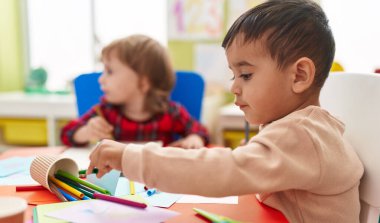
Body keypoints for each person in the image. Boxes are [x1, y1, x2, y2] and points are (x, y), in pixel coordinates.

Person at [87, 1, 364, 222]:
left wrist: (130, 157)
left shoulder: (303, 135)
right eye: (234, 74)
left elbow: (225, 170)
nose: (234, 86)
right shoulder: (302, 129)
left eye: (245, 74)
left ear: (299, 75)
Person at [61, 34, 209, 149]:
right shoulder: (105, 111)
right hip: (116, 183)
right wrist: (87, 132)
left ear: (143, 82)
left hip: (158, 182)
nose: (101, 79)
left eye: (110, 71)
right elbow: (66, 134)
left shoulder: (171, 112)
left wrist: (195, 138)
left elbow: (200, 132)